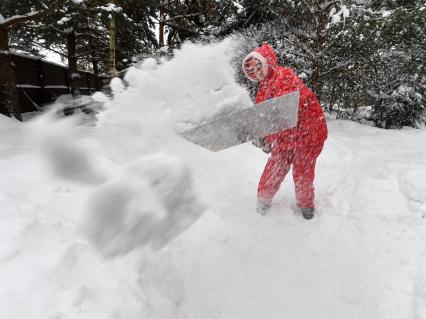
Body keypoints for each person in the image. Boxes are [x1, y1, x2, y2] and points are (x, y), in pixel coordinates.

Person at [242, 43, 328, 219]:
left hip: (308, 133)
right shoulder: (262, 90)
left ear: (267, 62)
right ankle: (263, 199)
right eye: (252, 70)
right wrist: (264, 137)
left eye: (259, 66)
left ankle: (306, 205)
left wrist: (267, 128)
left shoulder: (284, 75)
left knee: (303, 170)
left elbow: (284, 109)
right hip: (285, 137)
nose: (257, 72)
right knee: (275, 165)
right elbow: (265, 118)